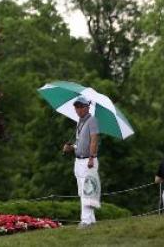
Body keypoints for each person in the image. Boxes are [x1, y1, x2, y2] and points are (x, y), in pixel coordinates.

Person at [61, 96, 100, 228]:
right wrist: (70, 148)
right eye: (76, 107)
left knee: (86, 191)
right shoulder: (80, 122)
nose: (77, 109)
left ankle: (85, 221)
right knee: (81, 191)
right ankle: (91, 220)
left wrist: (91, 157)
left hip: (88, 161)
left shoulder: (92, 120)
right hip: (78, 161)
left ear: (87, 107)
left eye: (80, 106)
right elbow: (79, 143)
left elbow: (94, 139)